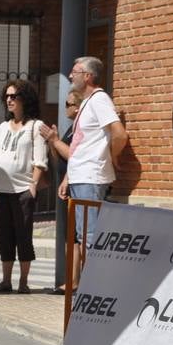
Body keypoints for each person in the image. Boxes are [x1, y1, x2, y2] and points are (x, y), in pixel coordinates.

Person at [0, 80, 47, 294]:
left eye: (14, 96)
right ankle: (6, 280)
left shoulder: (35, 127)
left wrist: (33, 187)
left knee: (23, 235)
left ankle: (23, 282)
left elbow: (40, 160)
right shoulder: (3, 127)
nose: (9, 100)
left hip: (22, 190)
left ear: (25, 99)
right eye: (7, 96)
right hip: (1, 189)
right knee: (4, 236)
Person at [58, 56, 128, 250]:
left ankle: (91, 281)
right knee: (83, 235)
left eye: (75, 72)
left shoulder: (99, 100)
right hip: (81, 177)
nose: (71, 75)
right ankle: (84, 281)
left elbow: (120, 134)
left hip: (91, 178)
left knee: (90, 236)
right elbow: (82, 146)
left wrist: (112, 155)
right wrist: (68, 177)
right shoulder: (89, 102)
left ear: (88, 76)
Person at [40, 89, 83, 293]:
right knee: (70, 236)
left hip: (76, 186)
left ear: (78, 107)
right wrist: (52, 142)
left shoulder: (81, 130)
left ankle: (75, 282)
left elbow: (75, 158)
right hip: (67, 185)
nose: (66, 107)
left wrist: (55, 141)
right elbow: (61, 159)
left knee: (76, 237)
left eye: (69, 104)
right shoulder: (70, 130)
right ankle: (71, 280)